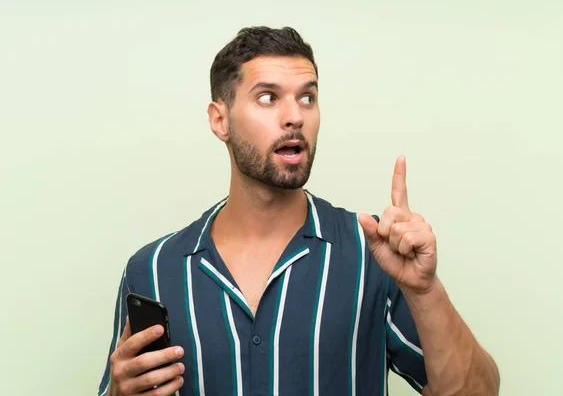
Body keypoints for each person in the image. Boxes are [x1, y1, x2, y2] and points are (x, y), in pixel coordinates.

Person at [98, 26, 500, 396]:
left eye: (307, 97)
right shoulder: (151, 270)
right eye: (268, 97)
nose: (295, 116)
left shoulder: (375, 253)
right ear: (220, 120)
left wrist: (425, 291)